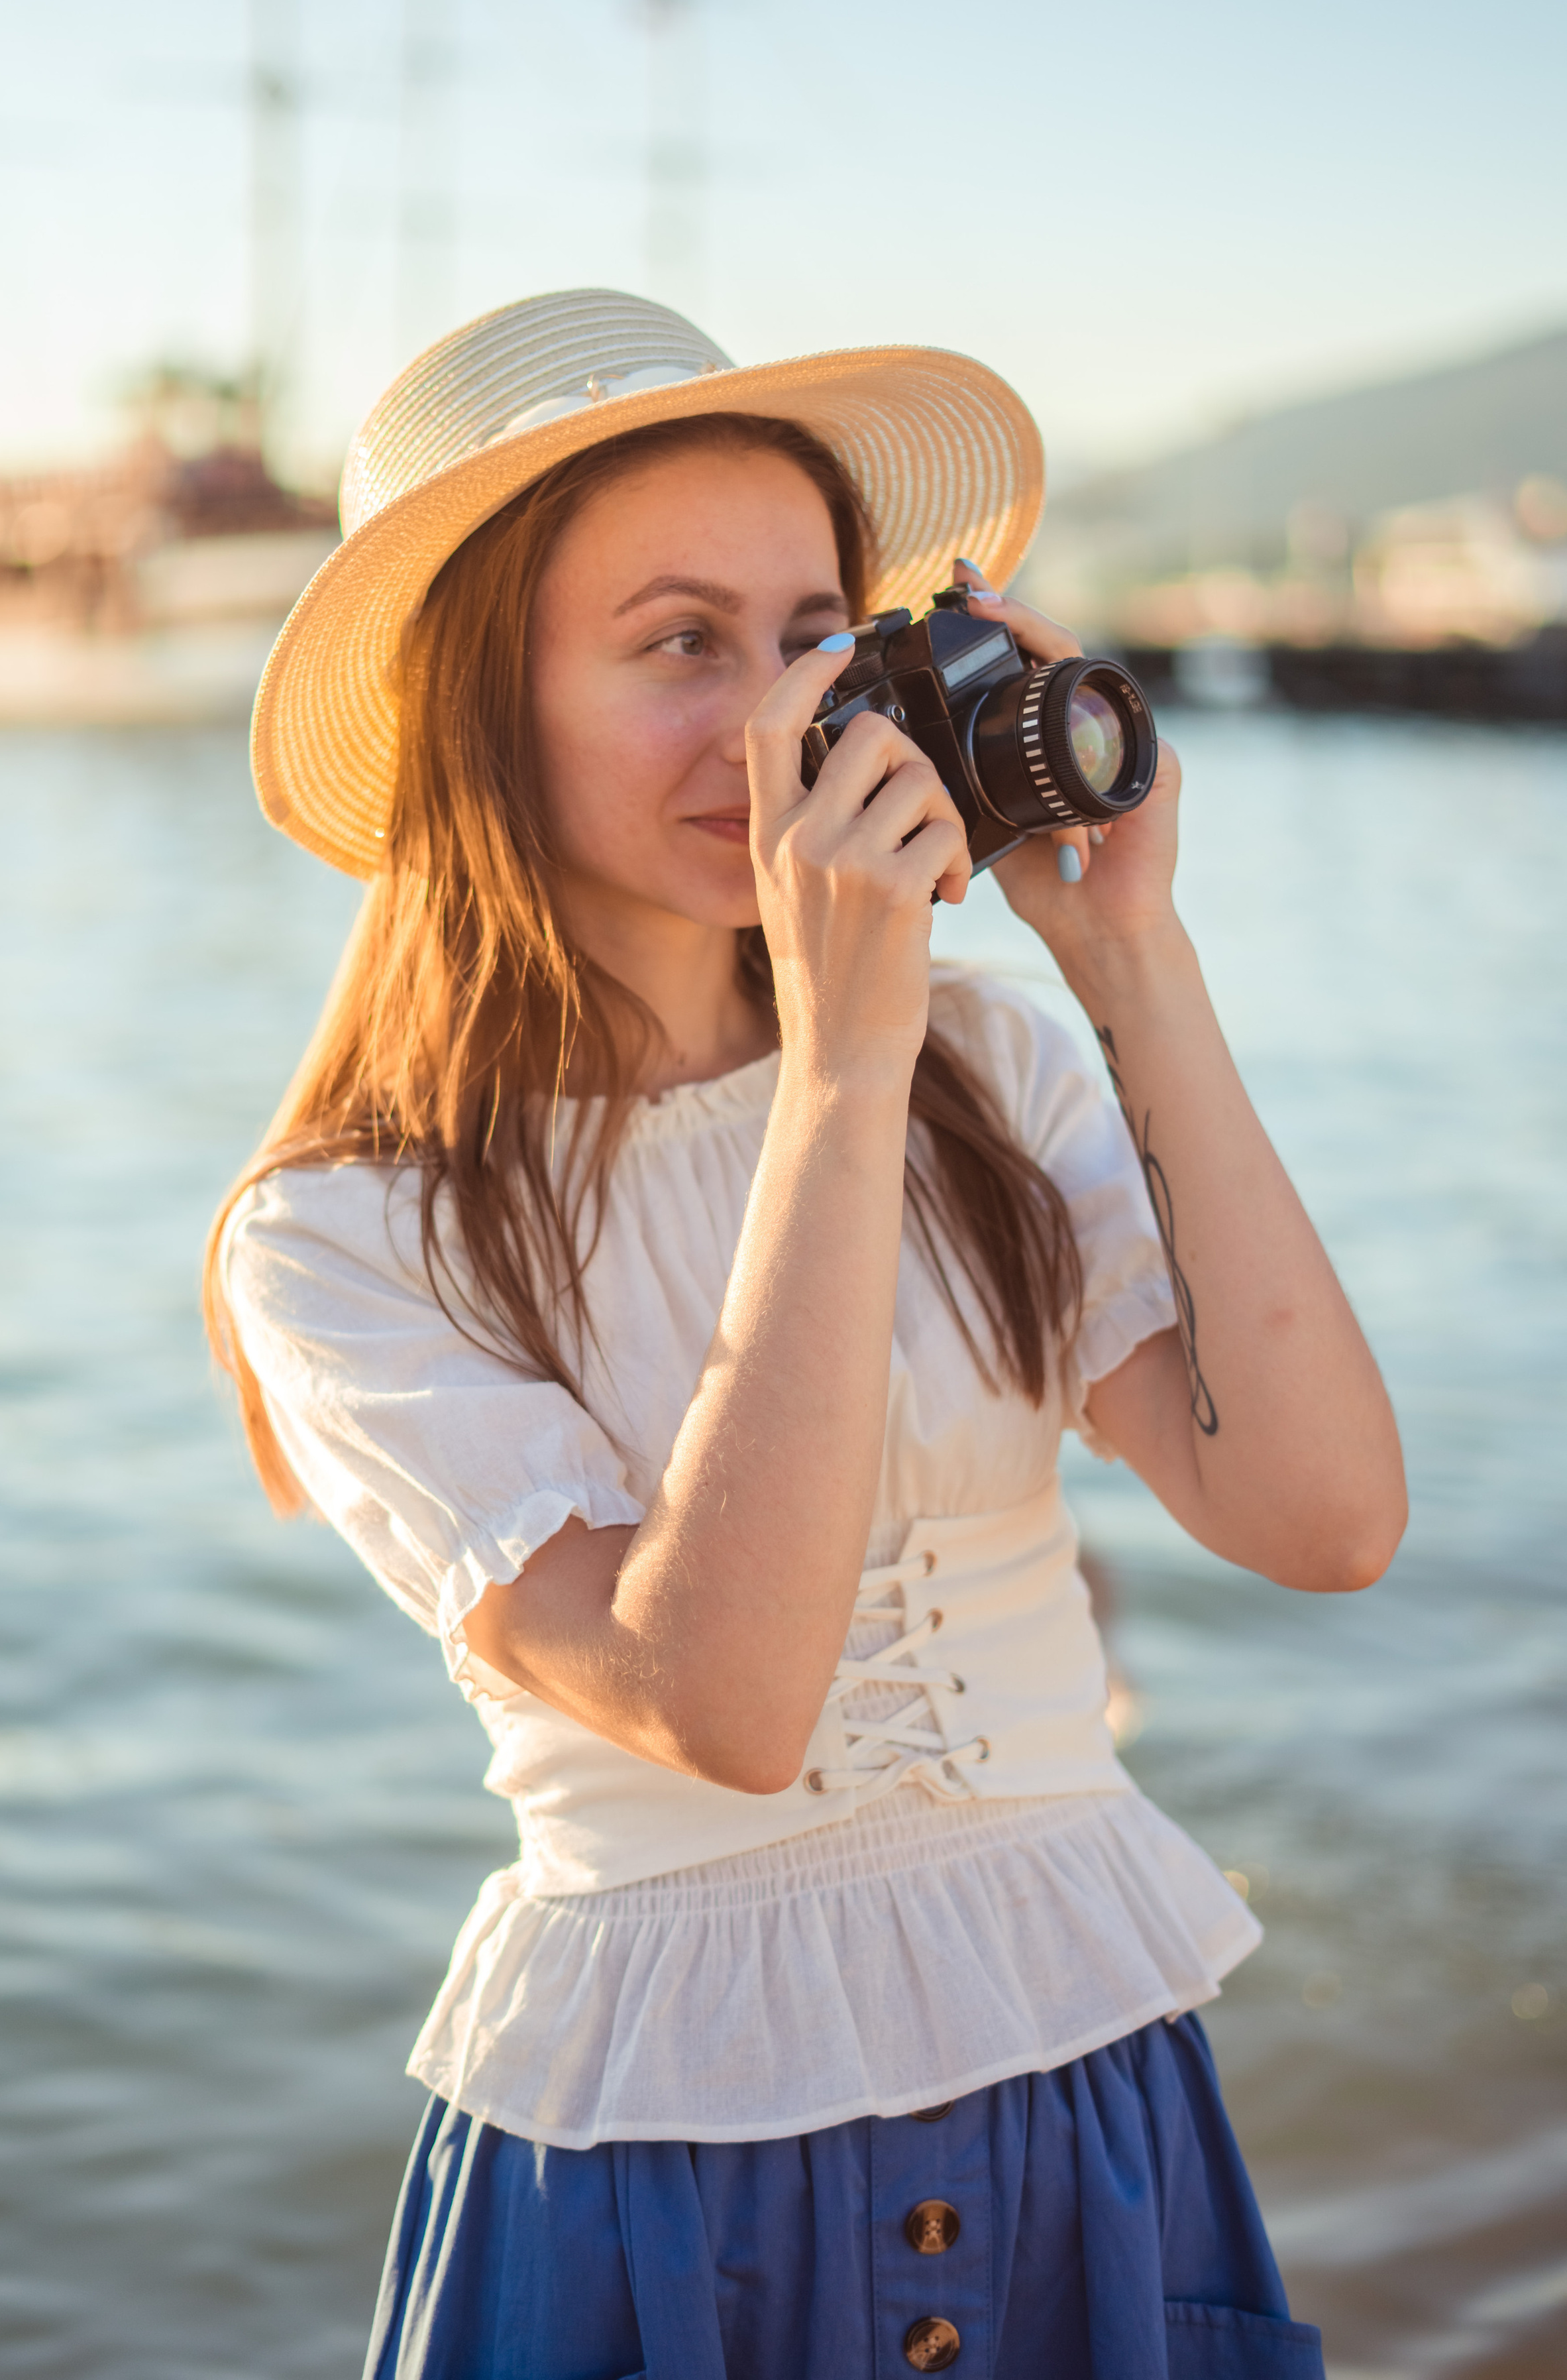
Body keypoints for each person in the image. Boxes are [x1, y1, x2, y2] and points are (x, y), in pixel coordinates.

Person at [207, 289, 1407, 2379]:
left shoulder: (988, 1070)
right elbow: (724, 1704)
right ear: (483, 719)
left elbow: (1324, 1520)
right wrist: (840, 1081)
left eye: (808, 639)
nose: (782, 723)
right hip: (664, 2160)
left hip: (1083, 2086)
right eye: (679, 643)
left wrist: (1134, 958)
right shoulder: (344, 1234)